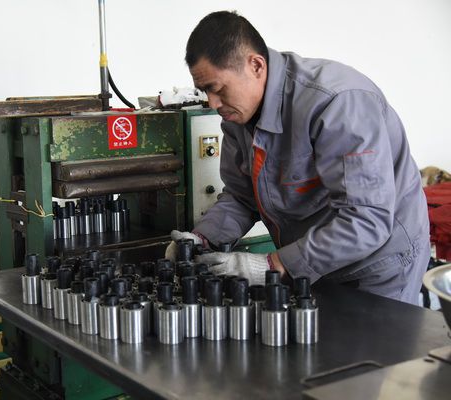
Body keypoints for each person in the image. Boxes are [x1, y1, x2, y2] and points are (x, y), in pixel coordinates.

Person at [167, 11, 430, 305]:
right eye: (205, 91)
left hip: (379, 266)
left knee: (370, 337)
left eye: (217, 89)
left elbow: (367, 219)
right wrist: (202, 238)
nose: (213, 103)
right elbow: (242, 197)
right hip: (313, 262)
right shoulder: (237, 116)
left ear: (256, 65)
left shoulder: (337, 103)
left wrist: (275, 264)